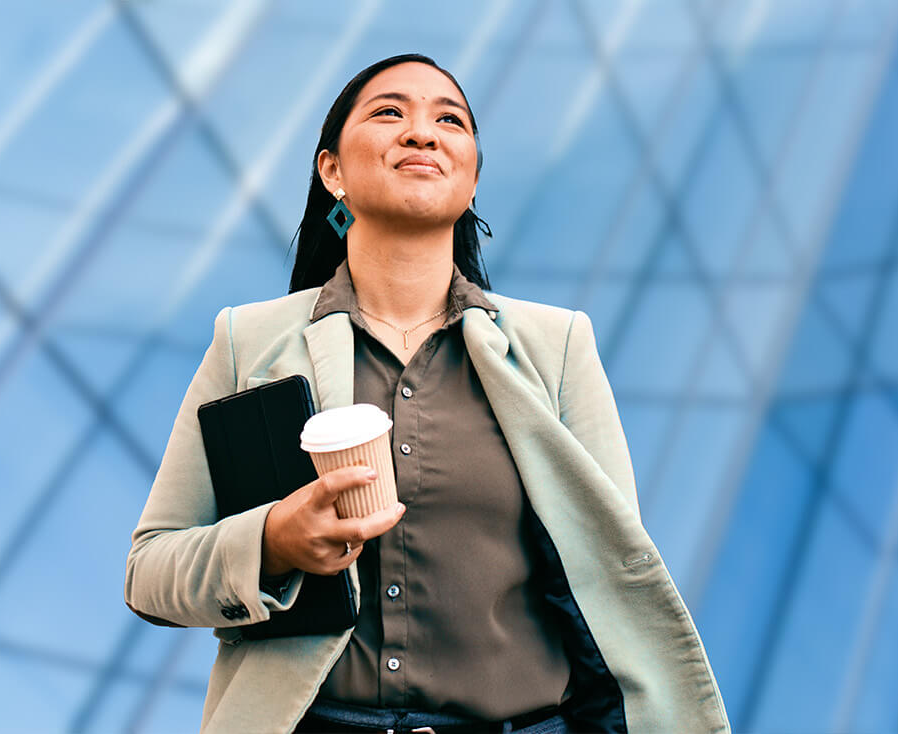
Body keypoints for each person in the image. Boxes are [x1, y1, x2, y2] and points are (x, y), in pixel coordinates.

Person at [123, 53, 728, 733]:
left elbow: (610, 580)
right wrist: (273, 543)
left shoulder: (558, 347)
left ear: (470, 178)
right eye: (389, 113)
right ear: (332, 172)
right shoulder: (246, 340)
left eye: (450, 120)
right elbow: (150, 571)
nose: (422, 133)